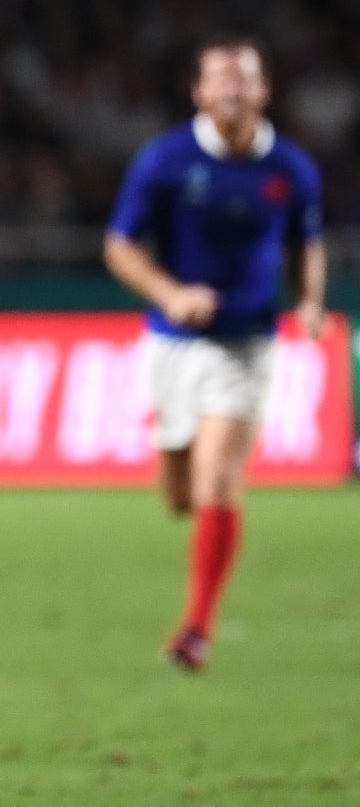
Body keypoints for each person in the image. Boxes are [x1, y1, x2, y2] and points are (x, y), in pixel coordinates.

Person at [103, 38, 324, 673]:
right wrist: (170, 294)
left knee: (219, 476)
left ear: (263, 91)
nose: (232, 87)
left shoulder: (291, 168)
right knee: (180, 495)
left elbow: (307, 243)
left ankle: (197, 627)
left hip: (247, 341)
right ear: (198, 92)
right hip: (173, 345)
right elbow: (119, 247)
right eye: (220, 77)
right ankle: (189, 512)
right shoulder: (165, 160)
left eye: (243, 77)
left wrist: (310, 301)